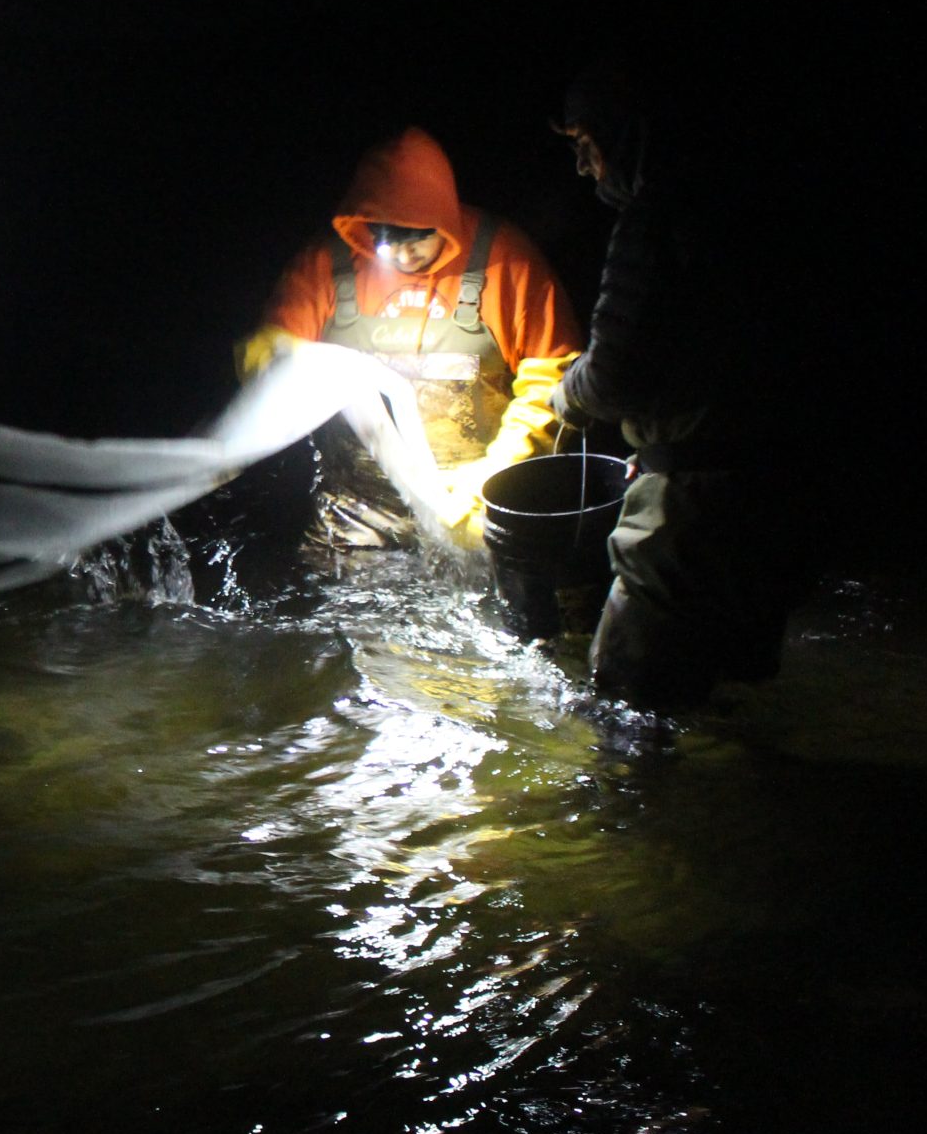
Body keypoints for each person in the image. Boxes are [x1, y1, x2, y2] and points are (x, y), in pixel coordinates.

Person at [545, 62, 808, 705]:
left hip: (692, 500)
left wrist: (565, 393)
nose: (584, 168)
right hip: (778, 489)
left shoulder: (655, 220)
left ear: (628, 136)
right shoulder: (760, 206)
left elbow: (611, 376)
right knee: (724, 694)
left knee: (625, 706)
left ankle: (636, 807)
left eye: (586, 145)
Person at [238, 125, 583, 550]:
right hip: (355, 516)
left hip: (470, 505)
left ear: (443, 221)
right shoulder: (328, 263)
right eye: (386, 241)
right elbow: (269, 352)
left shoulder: (505, 261)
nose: (402, 256)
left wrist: (493, 481)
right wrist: (270, 359)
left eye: (417, 239)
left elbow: (556, 383)